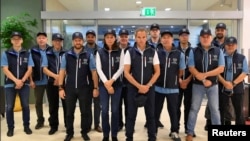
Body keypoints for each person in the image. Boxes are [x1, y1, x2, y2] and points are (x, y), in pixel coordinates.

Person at [58, 32, 99, 141]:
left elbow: (94, 72)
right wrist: (60, 88)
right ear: (73, 41)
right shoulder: (66, 55)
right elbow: (62, 71)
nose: (78, 42)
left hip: (84, 88)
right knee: (69, 112)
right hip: (70, 88)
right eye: (75, 40)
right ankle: (69, 133)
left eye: (80, 40)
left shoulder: (88, 55)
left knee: (85, 112)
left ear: (82, 41)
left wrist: (95, 87)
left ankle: (84, 132)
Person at [185, 28, 225, 141]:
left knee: (215, 110)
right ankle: (190, 132)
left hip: (213, 85)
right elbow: (191, 68)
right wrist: (203, 80)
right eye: (203, 36)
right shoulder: (194, 50)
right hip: (198, 85)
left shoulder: (218, 51)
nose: (205, 38)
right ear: (200, 38)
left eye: (208, 36)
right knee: (194, 108)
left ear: (211, 38)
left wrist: (206, 75)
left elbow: (221, 68)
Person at [124, 27, 160, 141]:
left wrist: (148, 86)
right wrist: (139, 86)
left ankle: (152, 137)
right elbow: (126, 73)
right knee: (131, 115)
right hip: (133, 88)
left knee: (150, 114)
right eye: (138, 37)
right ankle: (129, 137)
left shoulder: (153, 51)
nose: (141, 39)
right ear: (135, 38)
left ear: (147, 37)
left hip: (149, 88)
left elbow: (157, 71)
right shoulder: (129, 52)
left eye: (143, 37)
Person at [1, 31, 34, 137]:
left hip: (24, 84)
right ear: (11, 41)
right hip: (10, 84)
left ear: (21, 40)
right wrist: (16, 81)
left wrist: (22, 81)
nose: (16, 41)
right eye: (14, 39)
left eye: (18, 39)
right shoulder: (5, 53)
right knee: (9, 107)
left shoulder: (27, 53)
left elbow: (29, 69)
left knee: (25, 105)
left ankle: (26, 126)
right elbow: (5, 69)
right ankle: (10, 128)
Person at [154, 30, 185, 141]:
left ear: (172, 39)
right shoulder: (156, 53)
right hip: (158, 87)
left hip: (173, 89)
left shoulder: (179, 54)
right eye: (163, 37)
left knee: (174, 111)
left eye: (168, 37)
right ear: (161, 40)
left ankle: (174, 131)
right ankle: (153, 132)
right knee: (156, 111)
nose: (166, 39)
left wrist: (175, 79)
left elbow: (181, 70)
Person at [96, 29, 124, 141]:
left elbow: (122, 67)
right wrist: (106, 83)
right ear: (104, 39)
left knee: (115, 110)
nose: (109, 39)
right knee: (105, 110)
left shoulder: (120, 51)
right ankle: (106, 135)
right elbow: (98, 68)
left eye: (111, 37)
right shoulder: (99, 52)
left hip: (117, 85)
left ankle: (114, 135)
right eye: (107, 37)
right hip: (103, 85)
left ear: (115, 38)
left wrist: (112, 80)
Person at [204, 22, 233, 130]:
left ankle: (227, 121)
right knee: (211, 101)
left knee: (227, 101)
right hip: (213, 74)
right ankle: (209, 121)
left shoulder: (229, 42)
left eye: (222, 30)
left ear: (225, 31)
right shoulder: (211, 43)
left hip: (226, 75)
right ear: (215, 31)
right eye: (218, 30)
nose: (220, 31)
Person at [218, 36, 248, 125]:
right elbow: (217, 72)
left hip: (237, 88)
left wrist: (233, 83)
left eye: (232, 45)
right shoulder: (221, 57)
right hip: (222, 88)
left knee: (239, 112)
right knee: (221, 110)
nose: (230, 46)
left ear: (236, 46)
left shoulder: (242, 57)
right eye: (228, 45)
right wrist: (225, 83)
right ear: (225, 45)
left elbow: (245, 72)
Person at [42, 33, 67, 135]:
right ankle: (53, 126)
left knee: (66, 106)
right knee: (53, 106)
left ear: (62, 42)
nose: (58, 42)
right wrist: (56, 77)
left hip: (64, 84)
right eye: (56, 40)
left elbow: (69, 68)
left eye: (59, 40)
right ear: (52, 42)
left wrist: (61, 78)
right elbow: (44, 69)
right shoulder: (46, 53)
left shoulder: (67, 53)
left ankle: (68, 125)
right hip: (51, 83)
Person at [29, 32, 51, 129]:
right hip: (38, 80)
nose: (41, 39)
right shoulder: (32, 51)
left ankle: (52, 121)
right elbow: (30, 67)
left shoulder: (51, 49)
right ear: (37, 40)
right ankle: (40, 121)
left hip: (50, 81)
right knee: (38, 102)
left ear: (46, 39)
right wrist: (31, 80)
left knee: (52, 102)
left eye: (43, 38)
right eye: (39, 38)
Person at [176, 28, 195, 136]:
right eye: (182, 35)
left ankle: (188, 129)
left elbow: (195, 67)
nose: (184, 37)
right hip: (177, 83)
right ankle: (176, 128)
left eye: (186, 35)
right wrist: (179, 80)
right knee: (176, 106)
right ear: (179, 37)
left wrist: (187, 80)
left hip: (190, 82)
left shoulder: (193, 50)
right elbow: (173, 68)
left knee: (189, 107)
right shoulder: (175, 50)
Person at [145, 23, 164, 128]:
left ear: (159, 32)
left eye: (157, 30)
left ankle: (157, 119)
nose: (155, 32)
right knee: (149, 102)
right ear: (150, 32)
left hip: (161, 77)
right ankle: (149, 121)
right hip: (149, 77)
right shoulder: (146, 44)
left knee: (159, 102)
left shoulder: (163, 44)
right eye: (153, 30)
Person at [85, 29, 103, 133]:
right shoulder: (83, 50)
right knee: (87, 104)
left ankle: (96, 124)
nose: (90, 38)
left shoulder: (100, 50)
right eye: (89, 36)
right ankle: (87, 124)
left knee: (97, 104)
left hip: (98, 80)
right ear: (86, 38)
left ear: (95, 38)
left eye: (92, 36)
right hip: (86, 81)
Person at [117, 29, 131, 131]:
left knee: (129, 106)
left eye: (125, 36)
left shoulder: (132, 50)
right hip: (117, 83)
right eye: (122, 36)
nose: (124, 38)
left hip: (129, 84)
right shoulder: (115, 50)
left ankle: (128, 125)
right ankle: (119, 124)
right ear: (119, 37)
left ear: (128, 38)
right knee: (117, 106)